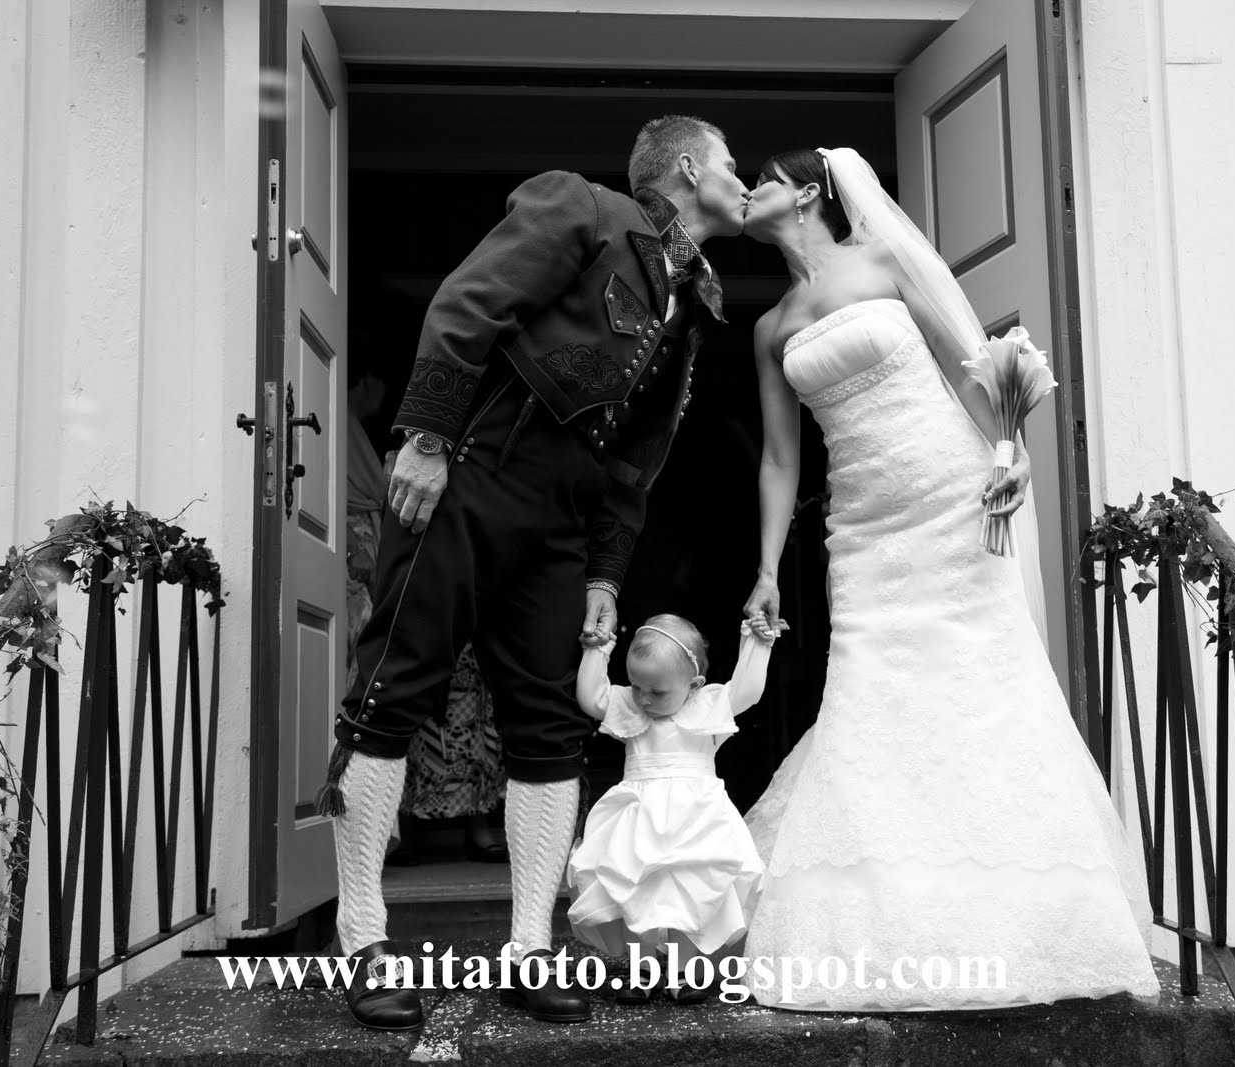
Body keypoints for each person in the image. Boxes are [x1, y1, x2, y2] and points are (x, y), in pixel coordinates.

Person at [314, 116, 749, 1031]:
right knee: (394, 692)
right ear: (686, 168)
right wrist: (426, 437)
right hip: (469, 474)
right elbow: (466, 302)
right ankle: (363, 939)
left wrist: (605, 575)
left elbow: (637, 458)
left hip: (559, 525)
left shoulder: (692, 300)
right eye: (731, 165)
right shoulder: (581, 205)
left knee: (550, 726)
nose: (744, 182)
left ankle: (528, 949)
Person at [738, 148, 1158, 1011]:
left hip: (952, 495)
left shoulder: (883, 260)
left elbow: (971, 363)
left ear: (808, 192)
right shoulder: (770, 325)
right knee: (870, 690)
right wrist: (765, 568)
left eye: (763, 179)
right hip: (863, 526)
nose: (746, 191)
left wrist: (1009, 450)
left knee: (979, 682)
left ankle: (1027, 913)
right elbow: (780, 459)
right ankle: (886, 919)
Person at [565, 613, 779, 1003]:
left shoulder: (708, 705)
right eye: (637, 686)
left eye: (657, 691)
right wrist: (598, 651)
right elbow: (591, 698)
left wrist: (757, 642)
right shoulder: (630, 706)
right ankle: (641, 968)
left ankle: (684, 969)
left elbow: (748, 691)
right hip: (639, 819)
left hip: (696, 821)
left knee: (689, 891)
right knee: (633, 889)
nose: (644, 698)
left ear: (693, 685)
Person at [344, 368, 508, 866]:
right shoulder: (389, 459)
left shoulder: (479, 459)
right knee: (406, 702)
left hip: (469, 592)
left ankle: (480, 822)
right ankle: (409, 829)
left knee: (473, 711)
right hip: (415, 589)